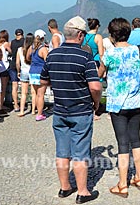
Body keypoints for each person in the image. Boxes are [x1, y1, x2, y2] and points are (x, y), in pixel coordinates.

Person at [40, 16, 101, 204]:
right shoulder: (85, 57)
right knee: (81, 152)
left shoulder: (52, 55)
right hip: (81, 110)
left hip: (59, 110)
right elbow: (95, 87)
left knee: (62, 150)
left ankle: (65, 187)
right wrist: (96, 103)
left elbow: (43, 81)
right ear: (81, 34)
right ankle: (83, 192)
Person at [98, 18, 140, 198]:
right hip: (136, 102)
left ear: (111, 35)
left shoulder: (109, 54)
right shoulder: (136, 51)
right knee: (136, 140)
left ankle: (122, 184)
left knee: (123, 143)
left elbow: (100, 74)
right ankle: (139, 178)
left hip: (117, 104)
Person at [28, 29, 48, 121]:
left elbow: (27, 57)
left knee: (36, 94)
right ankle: (40, 114)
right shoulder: (43, 49)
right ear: (43, 38)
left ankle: (36, 110)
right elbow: (47, 61)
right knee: (41, 95)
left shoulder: (31, 48)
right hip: (40, 72)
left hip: (32, 72)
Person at [16, 32, 34, 117]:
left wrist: (18, 71)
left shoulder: (20, 49)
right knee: (34, 93)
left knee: (24, 93)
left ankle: (22, 111)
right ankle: (33, 110)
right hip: (32, 71)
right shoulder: (33, 49)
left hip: (23, 71)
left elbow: (17, 63)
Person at [9, 29, 25, 112]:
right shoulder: (25, 42)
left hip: (12, 65)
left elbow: (11, 52)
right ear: (22, 34)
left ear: (15, 35)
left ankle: (16, 105)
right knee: (24, 87)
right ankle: (23, 104)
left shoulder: (12, 42)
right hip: (23, 65)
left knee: (14, 87)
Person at [0, 30, 12, 109]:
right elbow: (11, 52)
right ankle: (1, 105)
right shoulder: (6, 44)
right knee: (3, 87)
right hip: (5, 66)